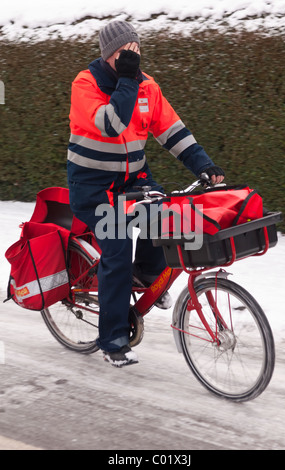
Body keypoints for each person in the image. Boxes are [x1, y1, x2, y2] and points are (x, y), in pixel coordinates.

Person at [67, 20, 225, 368]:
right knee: (118, 243)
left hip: (133, 179)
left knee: (166, 217)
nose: (133, 58)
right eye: (126, 53)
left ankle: (145, 278)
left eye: (136, 51)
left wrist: (204, 165)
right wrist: (125, 80)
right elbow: (112, 123)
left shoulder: (147, 87)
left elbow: (173, 131)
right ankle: (112, 340)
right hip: (93, 187)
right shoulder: (86, 84)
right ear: (110, 55)